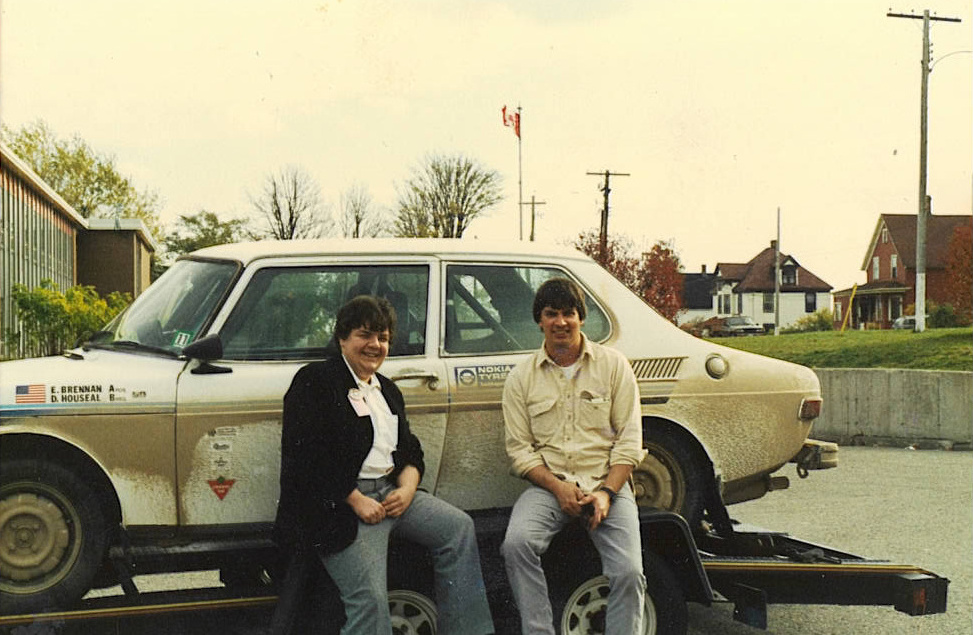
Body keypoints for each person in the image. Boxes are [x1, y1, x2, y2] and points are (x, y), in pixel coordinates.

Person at [271, 295, 494, 635]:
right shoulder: (315, 380)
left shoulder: (386, 390)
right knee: (370, 601)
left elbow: (410, 452)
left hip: (391, 496)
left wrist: (406, 489)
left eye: (383, 337)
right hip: (341, 509)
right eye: (365, 335)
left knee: (458, 529)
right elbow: (305, 458)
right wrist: (355, 499)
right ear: (343, 338)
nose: (375, 345)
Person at [500, 277, 647, 635]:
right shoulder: (521, 378)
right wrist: (558, 488)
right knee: (516, 545)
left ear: (582, 317)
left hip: (606, 484)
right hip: (549, 488)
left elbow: (630, 441)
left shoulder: (614, 366)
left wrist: (606, 493)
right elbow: (520, 450)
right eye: (551, 314)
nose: (560, 322)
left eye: (569, 313)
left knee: (629, 571)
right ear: (540, 320)